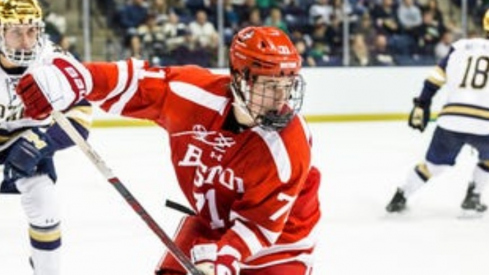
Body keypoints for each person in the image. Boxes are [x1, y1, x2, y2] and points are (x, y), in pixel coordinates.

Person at [14, 26, 321, 275]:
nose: (280, 99)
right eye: (270, 87)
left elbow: (258, 225)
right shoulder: (194, 95)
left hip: (280, 246)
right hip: (209, 227)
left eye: (287, 87)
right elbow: (136, 83)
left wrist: (224, 261)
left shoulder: (288, 144)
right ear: (240, 78)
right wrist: (78, 79)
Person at [0, 0, 92, 274]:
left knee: (45, 204)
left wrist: (41, 144)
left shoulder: (52, 59)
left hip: (26, 137)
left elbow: (81, 114)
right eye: (16, 32)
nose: (26, 42)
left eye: (31, 31)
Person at [385, 10, 489, 214]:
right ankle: (474, 195)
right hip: (486, 122)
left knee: (433, 165)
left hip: (452, 118)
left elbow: (436, 76)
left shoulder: (460, 47)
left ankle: (401, 195)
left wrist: (422, 103)